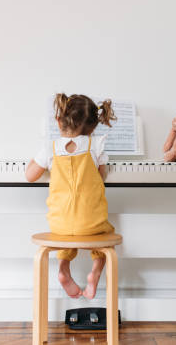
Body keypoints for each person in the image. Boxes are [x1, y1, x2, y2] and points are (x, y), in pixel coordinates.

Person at [26, 93, 116, 299]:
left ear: (59, 121)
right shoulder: (96, 145)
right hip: (91, 224)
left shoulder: (50, 148)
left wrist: (38, 157)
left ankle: (64, 269)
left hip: (60, 225)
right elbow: (101, 176)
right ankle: (95, 272)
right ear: (93, 128)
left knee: (64, 234)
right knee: (106, 235)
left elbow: (29, 176)